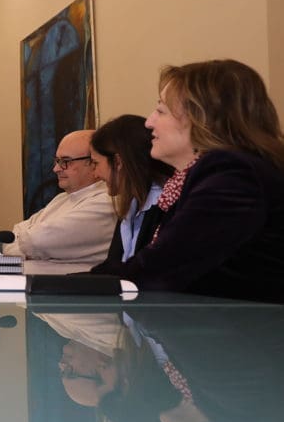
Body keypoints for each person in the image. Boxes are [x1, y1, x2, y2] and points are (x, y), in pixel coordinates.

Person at [118, 59, 284, 300]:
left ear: (201, 119)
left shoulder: (233, 174)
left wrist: (73, 285)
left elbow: (160, 268)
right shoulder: (212, 175)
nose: (149, 122)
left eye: (161, 111)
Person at [3, 130, 115, 266]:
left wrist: (27, 248)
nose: (56, 169)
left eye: (66, 161)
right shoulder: (61, 199)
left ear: (93, 163)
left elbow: (37, 241)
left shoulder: (106, 203)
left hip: (69, 280)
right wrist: (29, 251)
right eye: (57, 161)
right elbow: (11, 237)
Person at [87, 115, 172, 275]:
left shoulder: (167, 205)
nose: (95, 174)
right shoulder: (132, 205)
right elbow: (112, 268)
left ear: (118, 162)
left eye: (96, 163)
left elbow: (150, 273)